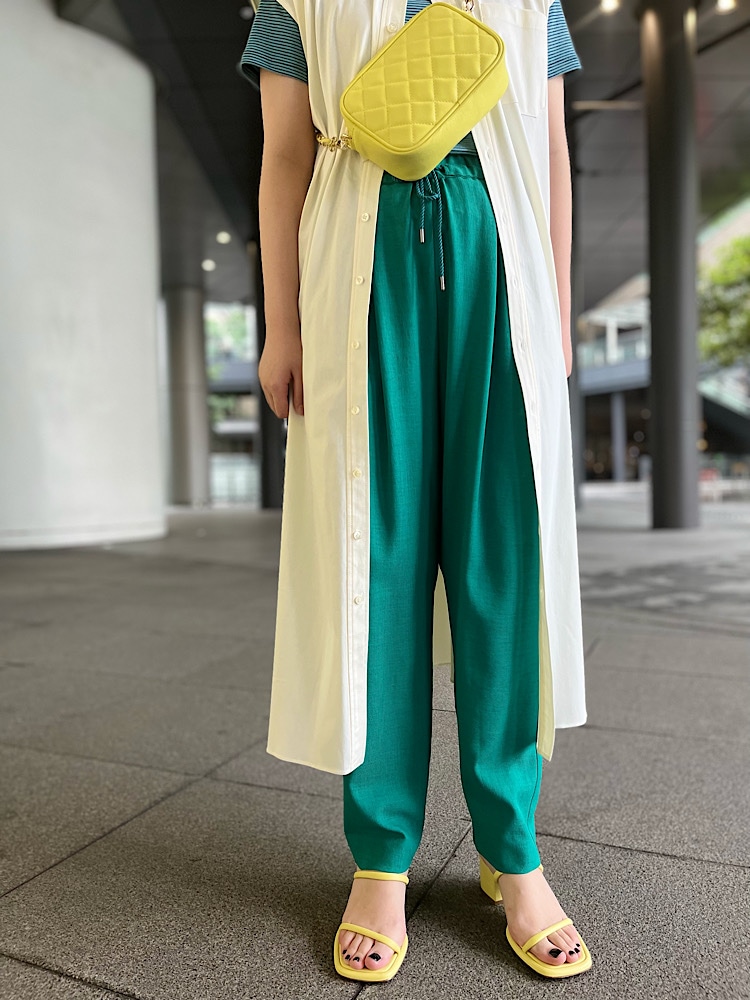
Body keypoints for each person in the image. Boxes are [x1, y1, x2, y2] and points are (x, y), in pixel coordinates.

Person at [240, 0, 590, 983]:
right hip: (359, 268)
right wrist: (281, 326)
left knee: (502, 562)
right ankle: (382, 855)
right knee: (375, 564)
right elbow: (284, 154)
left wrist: (558, 312)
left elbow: (550, 147)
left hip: (501, 270)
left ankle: (511, 847)